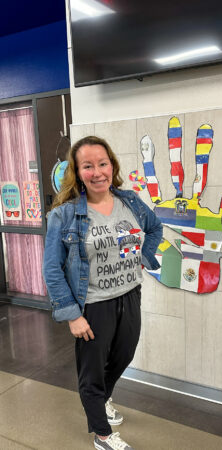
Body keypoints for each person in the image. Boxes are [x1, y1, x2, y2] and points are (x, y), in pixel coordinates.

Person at [43, 136, 162, 450]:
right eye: (88, 166)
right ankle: (102, 436)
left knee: (124, 355)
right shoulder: (64, 215)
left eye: (102, 163)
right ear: (77, 172)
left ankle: (103, 399)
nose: (97, 172)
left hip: (129, 295)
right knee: (91, 374)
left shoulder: (130, 201)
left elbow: (155, 228)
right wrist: (72, 315)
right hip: (92, 305)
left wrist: (143, 259)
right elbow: (52, 268)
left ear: (112, 166)